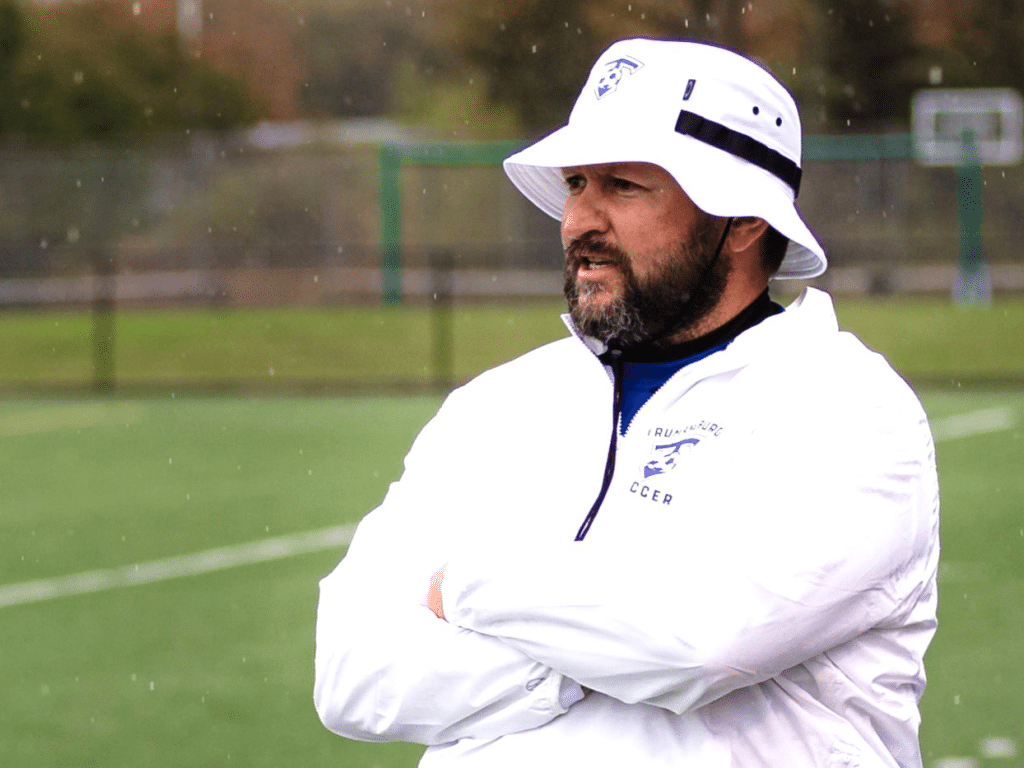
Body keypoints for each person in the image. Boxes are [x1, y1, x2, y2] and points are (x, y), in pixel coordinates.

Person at [314, 38, 939, 768]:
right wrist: (591, 659)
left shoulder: (846, 406)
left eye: (625, 186)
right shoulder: (496, 405)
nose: (581, 219)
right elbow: (351, 676)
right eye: (577, 182)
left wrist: (460, 587)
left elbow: (697, 645)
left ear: (743, 221)